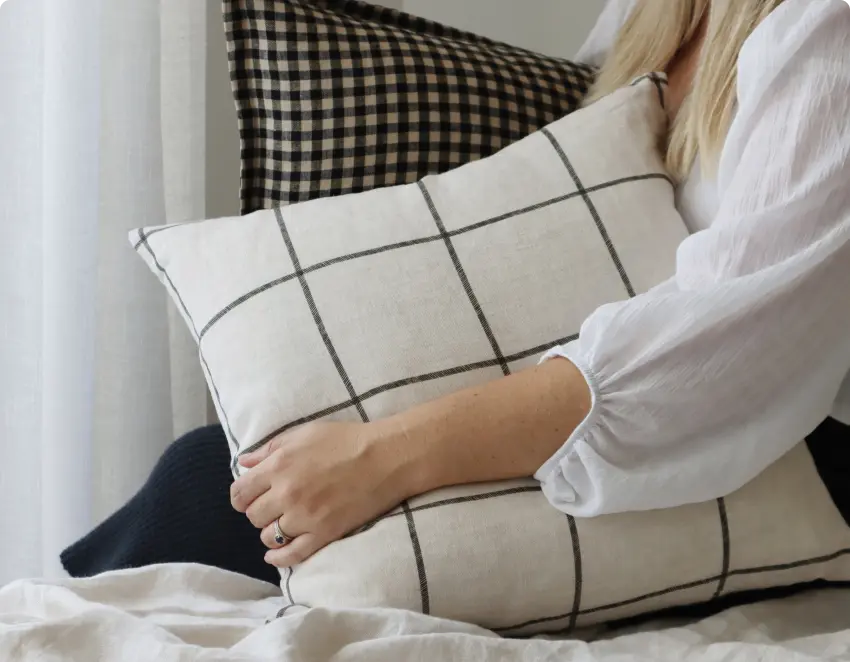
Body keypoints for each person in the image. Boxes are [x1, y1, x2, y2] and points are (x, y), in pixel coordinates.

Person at [63, 0, 850, 584]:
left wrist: (383, 456)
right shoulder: (656, 14)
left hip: (776, 449)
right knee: (220, 470)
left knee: (216, 486)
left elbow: (727, 352)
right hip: (603, 402)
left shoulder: (826, 33)